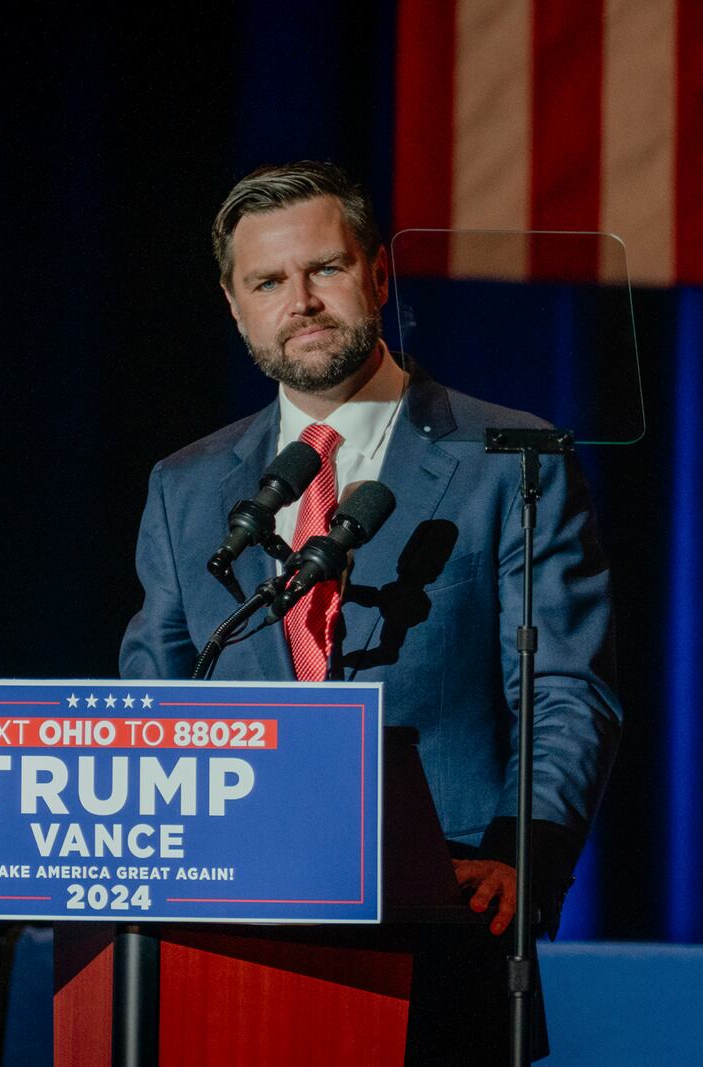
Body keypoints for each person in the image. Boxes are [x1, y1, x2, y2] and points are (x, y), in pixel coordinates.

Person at [119, 161, 623, 1056]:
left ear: (379, 275)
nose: (301, 301)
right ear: (236, 307)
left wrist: (522, 852)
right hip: (224, 944)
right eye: (268, 281)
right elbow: (155, 697)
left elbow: (567, 692)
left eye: (326, 269)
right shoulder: (186, 487)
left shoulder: (510, 457)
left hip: (444, 929)